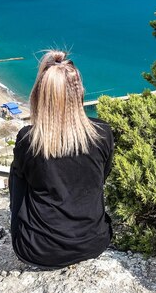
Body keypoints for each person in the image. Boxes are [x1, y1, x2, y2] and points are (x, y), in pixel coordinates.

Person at [9, 50, 114, 269]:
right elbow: (101, 178)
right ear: (80, 93)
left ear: (39, 96)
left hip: (37, 249)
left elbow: (17, 194)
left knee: (18, 174)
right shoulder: (103, 132)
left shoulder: (28, 140)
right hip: (94, 242)